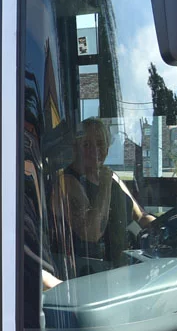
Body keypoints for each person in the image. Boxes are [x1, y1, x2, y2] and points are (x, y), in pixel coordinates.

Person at [52, 117, 153, 274]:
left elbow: (141, 216)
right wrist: (105, 185)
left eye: (100, 143)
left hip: (128, 262)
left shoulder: (112, 176)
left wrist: (163, 228)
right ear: (75, 148)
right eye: (86, 145)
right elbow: (92, 233)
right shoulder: (67, 182)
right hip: (94, 271)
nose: (95, 151)